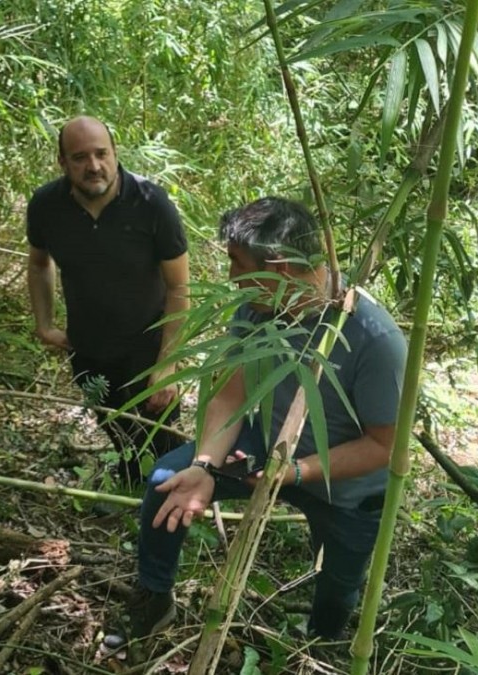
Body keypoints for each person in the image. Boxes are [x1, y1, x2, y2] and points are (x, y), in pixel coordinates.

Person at [121, 197, 408, 643]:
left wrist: (293, 473)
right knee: (168, 481)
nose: (230, 278)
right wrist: (204, 466)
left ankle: (318, 642)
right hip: (268, 446)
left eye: (236, 263)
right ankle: (154, 599)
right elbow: (232, 392)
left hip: (347, 490)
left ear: (278, 268)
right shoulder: (257, 310)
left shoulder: (374, 338)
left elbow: (383, 446)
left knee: (336, 593)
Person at [26, 116, 189, 485]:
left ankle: (170, 509)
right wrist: (44, 324)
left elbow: (180, 288)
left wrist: (168, 364)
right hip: (87, 346)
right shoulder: (46, 205)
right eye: (80, 157)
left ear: (115, 153)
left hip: (149, 345)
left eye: (101, 154)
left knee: (164, 441)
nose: (93, 166)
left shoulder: (151, 203)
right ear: (63, 163)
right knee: (117, 430)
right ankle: (130, 483)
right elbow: (39, 265)